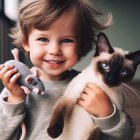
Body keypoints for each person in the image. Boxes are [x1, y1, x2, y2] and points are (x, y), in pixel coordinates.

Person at [0, 0, 135, 139]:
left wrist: (107, 115)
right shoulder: (17, 89)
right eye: (43, 39)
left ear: (81, 46)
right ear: (26, 43)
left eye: (66, 40)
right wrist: (15, 100)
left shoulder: (93, 87)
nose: (54, 50)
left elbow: (125, 136)